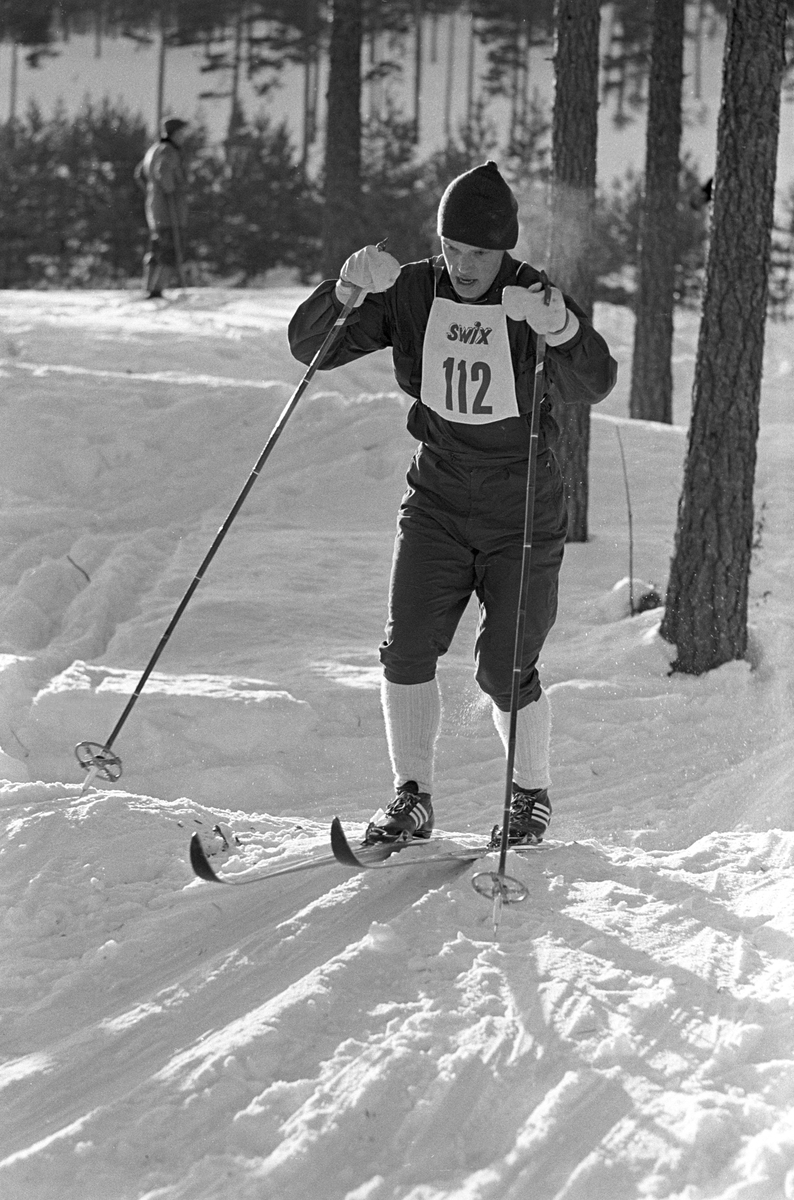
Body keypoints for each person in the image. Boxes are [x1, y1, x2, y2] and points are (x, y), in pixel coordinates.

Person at [288, 161, 617, 846]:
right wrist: (345, 291)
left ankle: (529, 798)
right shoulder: (410, 288)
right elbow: (310, 350)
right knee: (406, 648)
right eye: (453, 249)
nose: (464, 265)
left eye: (480, 253)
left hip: (521, 504)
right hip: (437, 494)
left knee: (503, 666)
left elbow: (598, 379)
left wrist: (559, 330)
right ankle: (412, 798)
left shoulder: (531, 296)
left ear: (506, 250)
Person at [134, 117, 189, 298]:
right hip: (167, 209)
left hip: (154, 207)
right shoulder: (168, 150)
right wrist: (169, 190)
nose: (183, 137)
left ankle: (148, 286)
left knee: (156, 247)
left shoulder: (154, 149)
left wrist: (151, 191)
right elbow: (163, 171)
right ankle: (157, 289)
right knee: (169, 249)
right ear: (173, 133)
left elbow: (139, 173)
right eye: (181, 133)